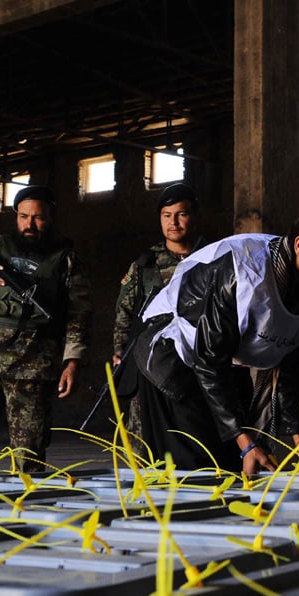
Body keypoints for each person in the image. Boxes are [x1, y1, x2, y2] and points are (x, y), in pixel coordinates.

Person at [132, 200, 299, 475]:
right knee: (199, 471)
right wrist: (244, 442)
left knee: (237, 468)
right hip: (173, 358)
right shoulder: (243, 271)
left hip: (221, 364)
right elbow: (209, 360)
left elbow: (289, 367)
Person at [0, 185, 93, 474]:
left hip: (33, 363)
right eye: (24, 216)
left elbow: (79, 314)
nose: (29, 224)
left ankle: (25, 512)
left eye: (38, 217)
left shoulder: (65, 259)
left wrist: (72, 362)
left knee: (29, 453)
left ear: (50, 217)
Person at [111, 183, 206, 445]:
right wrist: (119, 350)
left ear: (194, 217)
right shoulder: (145, 265)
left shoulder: (212, 258)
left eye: (181, 214)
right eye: (166, 216)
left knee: (195, 437)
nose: (173, 222)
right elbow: (124, 311)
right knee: (142, 439)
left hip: (197, 363)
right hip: (150, 361)